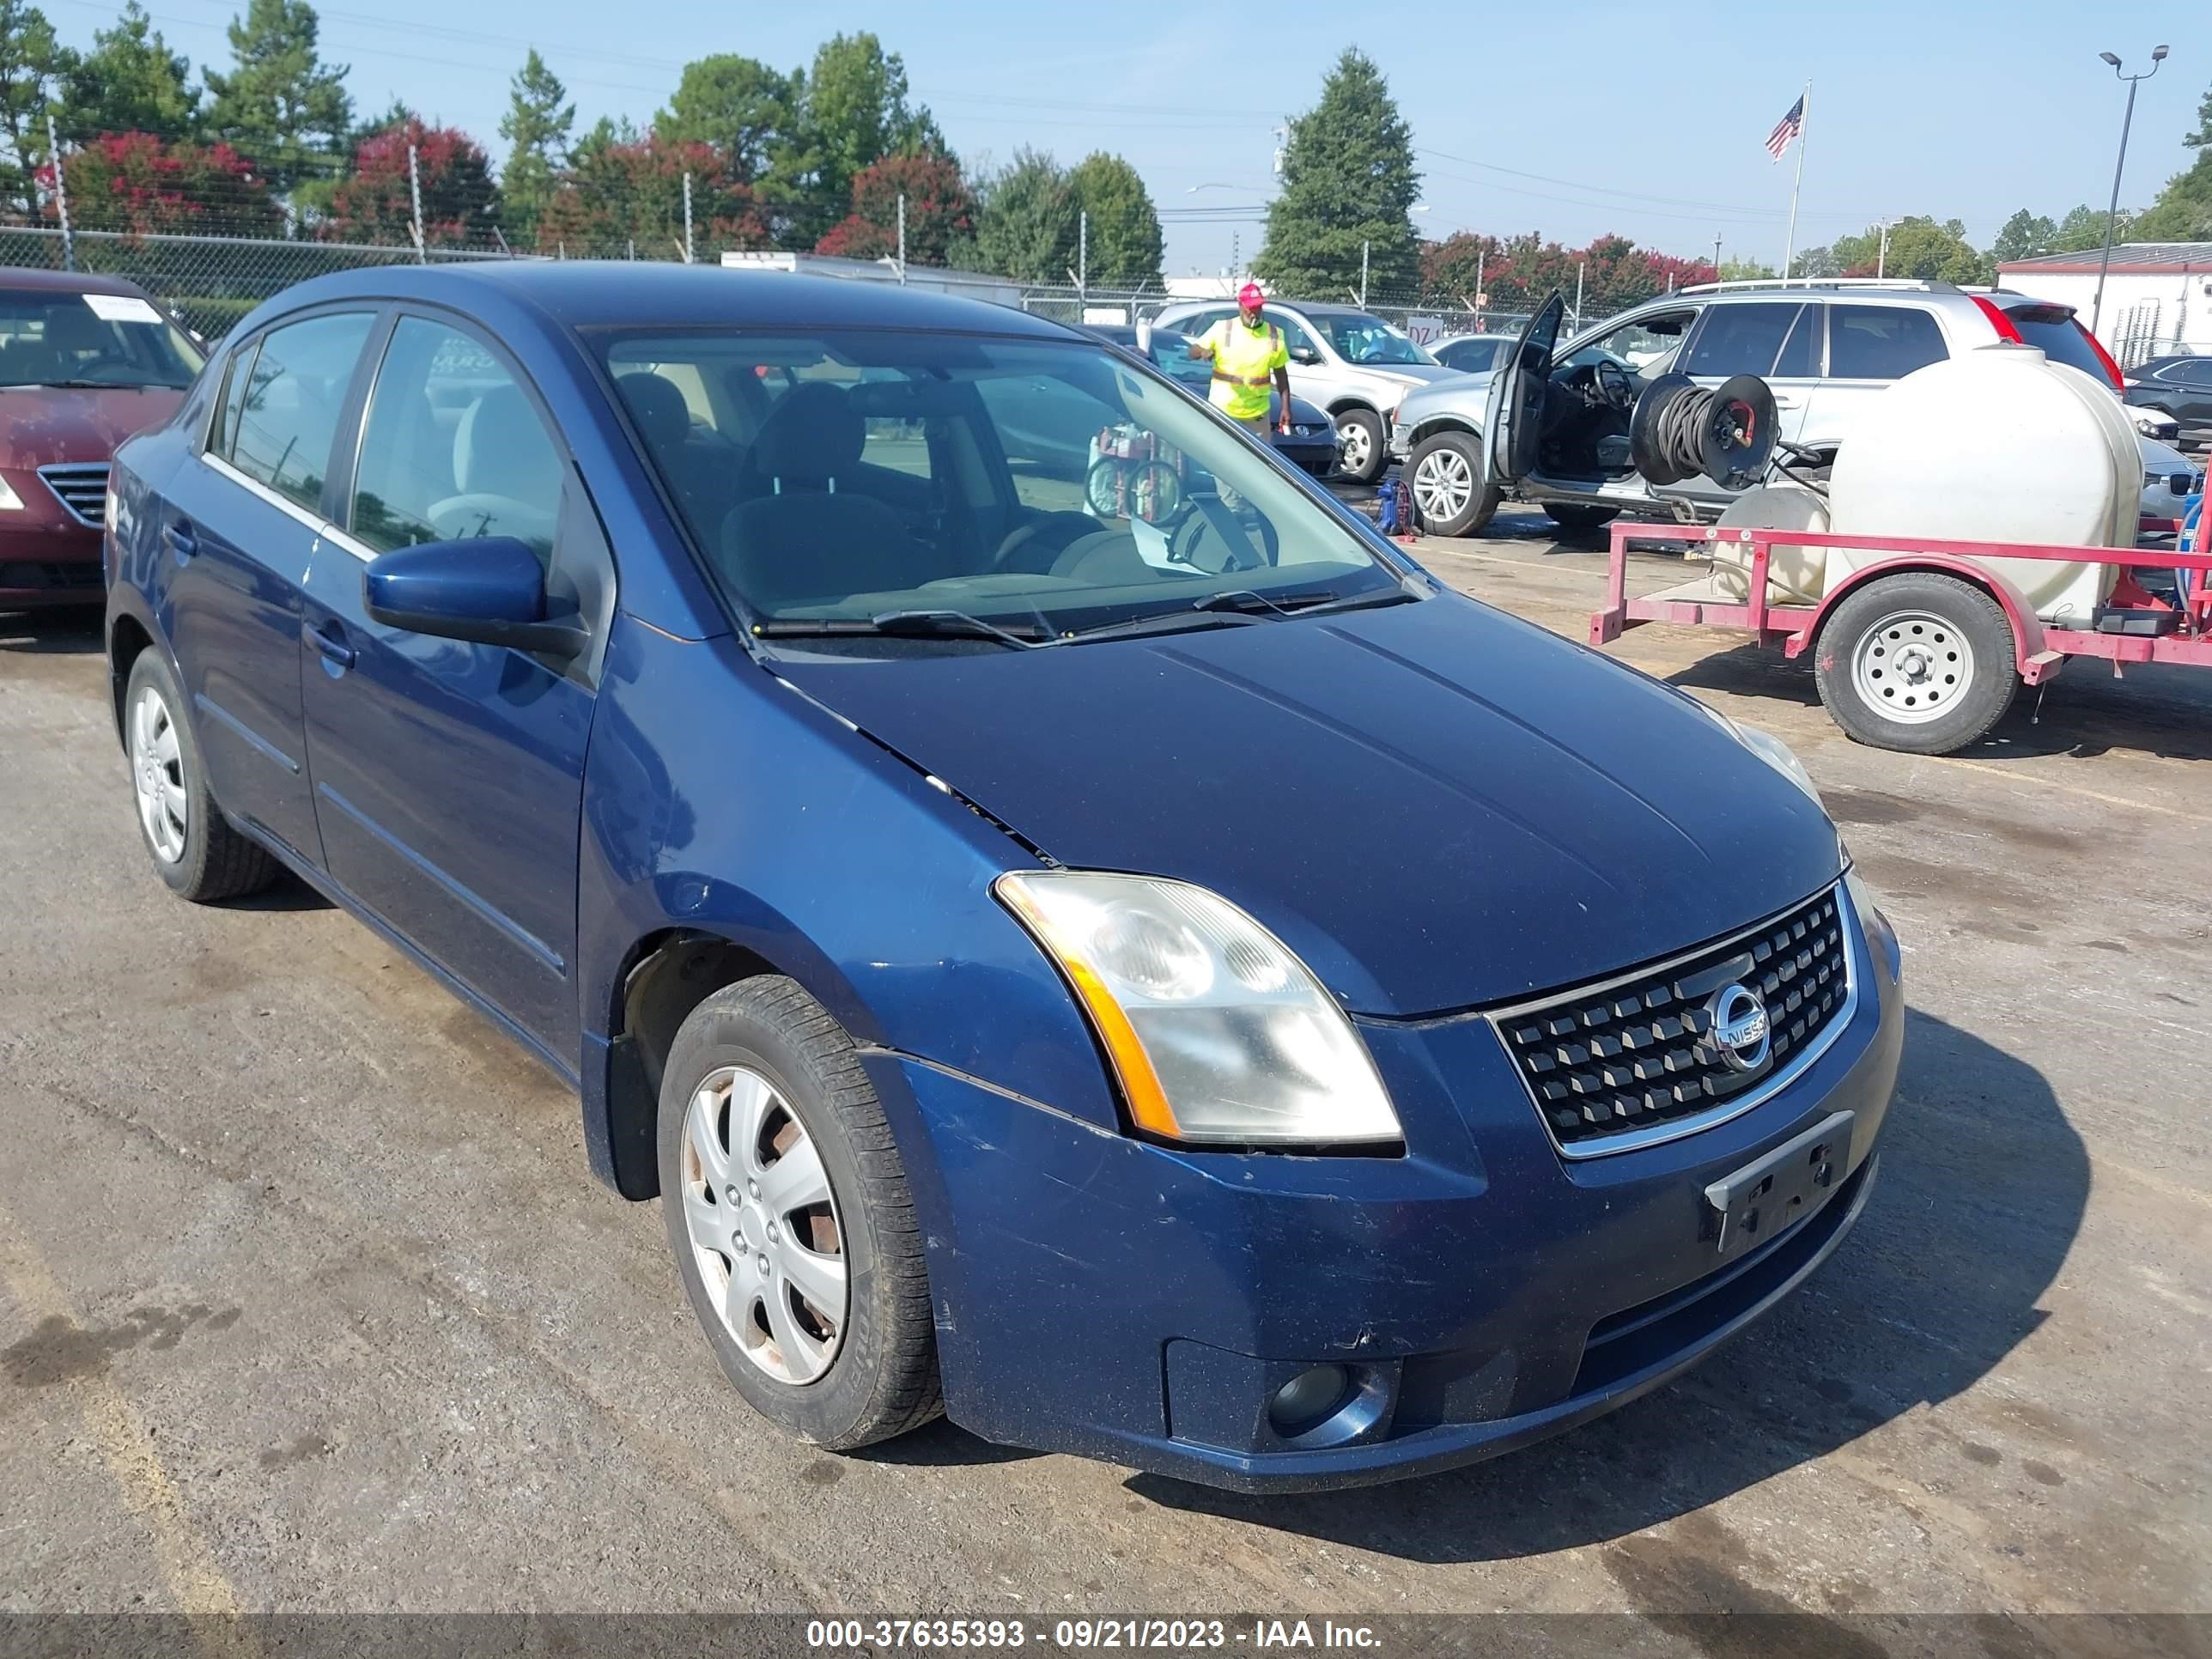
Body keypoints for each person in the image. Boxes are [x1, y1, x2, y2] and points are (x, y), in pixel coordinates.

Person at [1188, 283, 1293, 441]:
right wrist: (1203, 352)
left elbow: (1281, 375)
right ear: (1240, 305)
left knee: (1256, 463)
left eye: (1258, 307)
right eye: (1250, 308)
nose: (1254, 313)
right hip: (1223, 412)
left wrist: (1286, 408)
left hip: (1257, 416)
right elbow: (1192, 351)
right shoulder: (1223, 329)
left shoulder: (1275, 334)